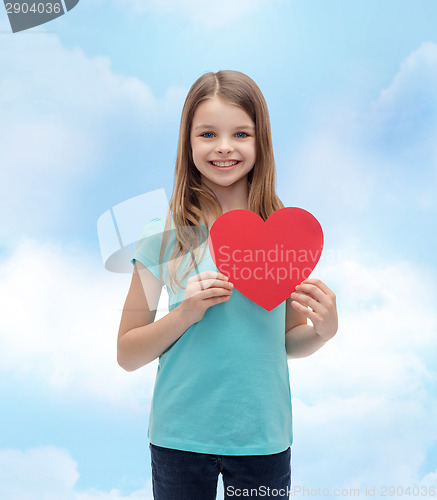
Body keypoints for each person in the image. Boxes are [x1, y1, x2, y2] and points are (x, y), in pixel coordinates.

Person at [117, 70, 338, 500]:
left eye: (240, 133)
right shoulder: (161, 235)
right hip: (179, 437)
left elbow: (286, 341)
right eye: (207, 134)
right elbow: (127, 352)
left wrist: (322, 332)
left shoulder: (287, 236)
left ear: (261, 142)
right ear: (189, 143)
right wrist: (185, 313)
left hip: (262, 438)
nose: (223, 146)